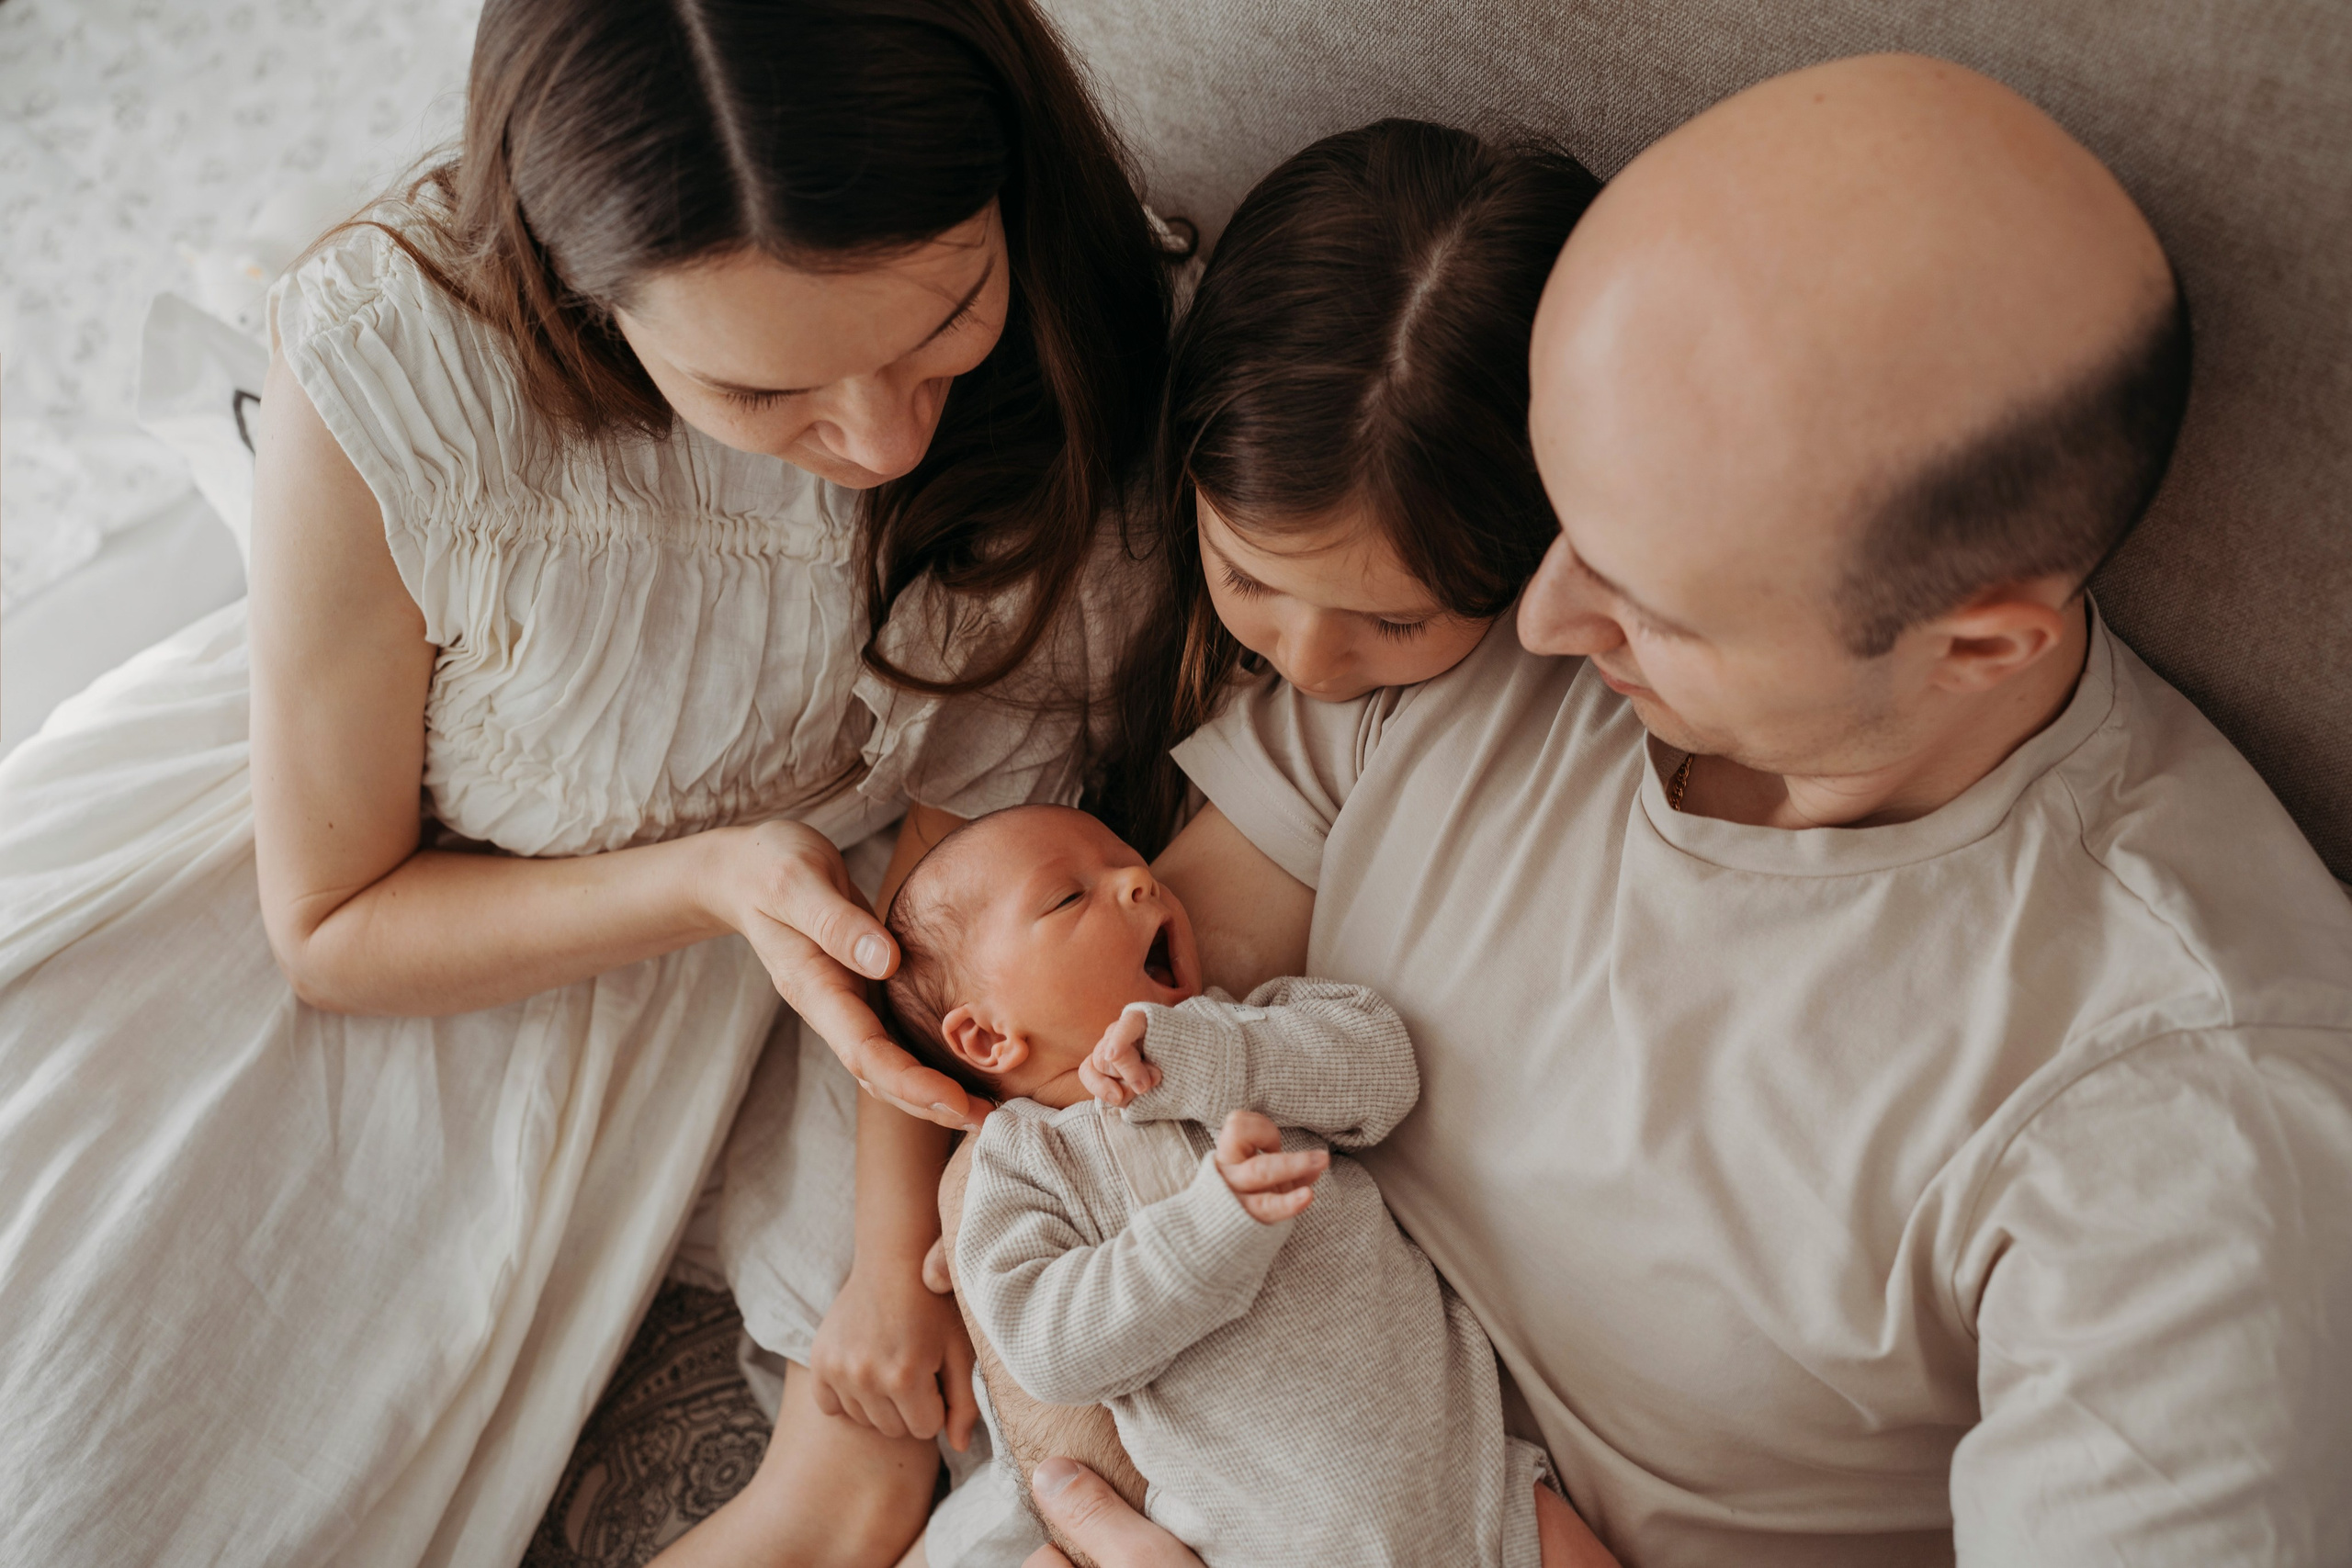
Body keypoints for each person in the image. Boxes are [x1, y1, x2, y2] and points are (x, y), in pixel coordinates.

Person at [994, 52, 2352, 1568]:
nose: (1541, 620)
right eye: (1566, 513)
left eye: (1653, 597)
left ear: (1977, 643)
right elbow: (1057, 1094)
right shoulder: (1462, 611)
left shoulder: (2188, 1123)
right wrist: (1072, 1468)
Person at [0, 1, 1174, 1563]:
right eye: (764, 394)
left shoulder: (1076, 353)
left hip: (723, 980)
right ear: (585, 296)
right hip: (320, 885)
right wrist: (709, 874)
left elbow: (954, 865)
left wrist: (897, 1251)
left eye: (942, 319)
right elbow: (330, 924)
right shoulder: (392, 355)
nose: (887, 438)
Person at [884, 802, 1572, 1566]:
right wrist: (1205, 1235)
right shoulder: (1023, 1163)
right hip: (1274, 1545)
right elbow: (1046, 1349)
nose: (1140, 880)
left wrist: (1214, 1054)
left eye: (1130, 861)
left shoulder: (1248, 1028)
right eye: (1068, 896)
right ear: (986, 1035)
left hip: (1483, 1490)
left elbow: (1385, 1071)